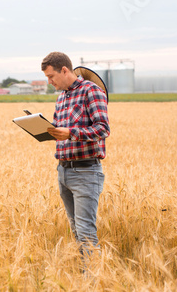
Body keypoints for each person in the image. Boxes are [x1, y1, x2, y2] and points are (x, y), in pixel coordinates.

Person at [42, 51, 110, 262]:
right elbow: (59, 131)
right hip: (63, 170)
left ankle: (94, 280)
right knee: (76, 230)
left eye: (51, 76)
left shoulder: (92, 91)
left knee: (86, 233)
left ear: (64, 70)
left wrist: (71, 133)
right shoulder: (61, 97)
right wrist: (48, 132)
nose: (50, 82)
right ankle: (84, 275)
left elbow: (102, 129)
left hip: (85, 171)